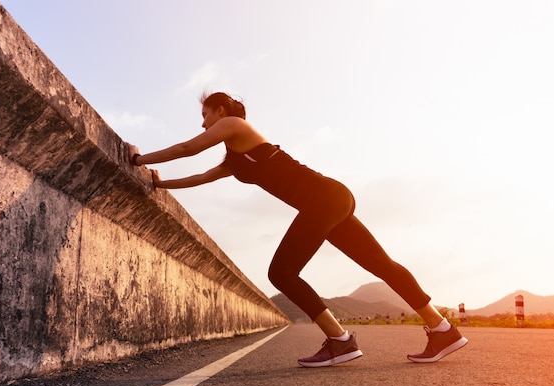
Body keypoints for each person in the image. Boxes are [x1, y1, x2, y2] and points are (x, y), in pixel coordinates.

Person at [126, 92, 468, 367]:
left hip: (324, 198)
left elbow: (188, 148)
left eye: (205, 115)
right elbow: (200, 177)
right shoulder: (234, 156)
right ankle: (443, 329)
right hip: (331, 199)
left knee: (282, 272)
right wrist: (161, 184)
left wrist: (139, 160)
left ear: (220, 111)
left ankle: (340, 341)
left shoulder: (235, 126)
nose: (202, 123)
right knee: (381, 265)